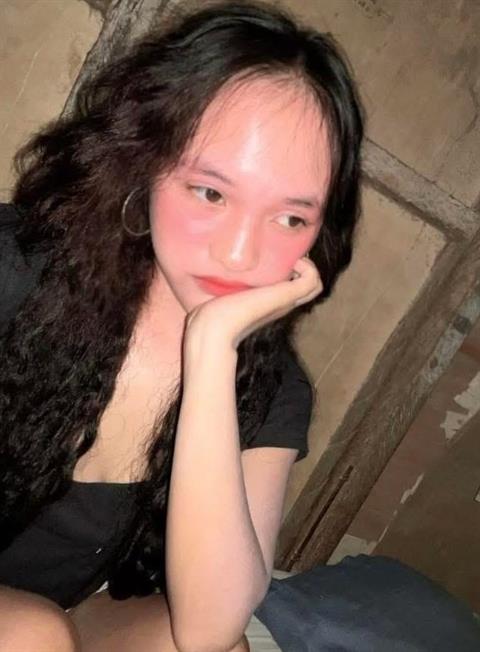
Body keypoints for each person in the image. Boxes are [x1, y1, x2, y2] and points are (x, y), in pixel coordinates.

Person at [0, 0, 364, 650]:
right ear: (145, 161)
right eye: (211, 193)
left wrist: (214, 348)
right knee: (32, 635)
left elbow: (207, 627)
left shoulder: (272, 387)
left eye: (290, 218)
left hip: (65, 613)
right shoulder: (14, 268)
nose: (239, 255)